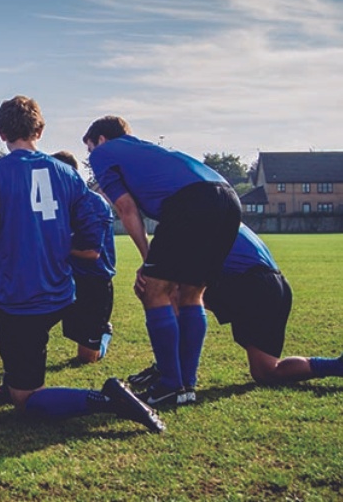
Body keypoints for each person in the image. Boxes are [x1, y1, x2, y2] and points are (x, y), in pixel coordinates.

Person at [0, 96, 163, 433]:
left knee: (26, 400)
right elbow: (91, 235)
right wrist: (55, 241)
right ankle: (16, 375)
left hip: (20, 298)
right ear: (40, 130)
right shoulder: (67, 175)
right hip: (62, 291)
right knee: (10, 316)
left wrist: (13, 235)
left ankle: (106, 399)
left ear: (0, 132)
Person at [84, 116, 241, 406]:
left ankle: (170, 384)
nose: (92, 156)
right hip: (228, 197)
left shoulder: (105, 152)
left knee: (153, 290)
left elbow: (126, 208)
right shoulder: (145, 151)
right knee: (191, 294)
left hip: (191, 201)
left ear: (101, 140)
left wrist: (148, 259)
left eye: (90, 149)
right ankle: (185, 386)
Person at [130, 224, 343, 389]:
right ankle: (336, 366)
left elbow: (173, 271)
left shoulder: (193, 213)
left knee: (165, 290)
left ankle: (169, 371)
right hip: (274, 286)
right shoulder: (217, 207)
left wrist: (149, 273)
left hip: (250, 284)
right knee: (266, 372)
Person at [51, 151, 115, 364]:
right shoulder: (53, 202)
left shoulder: (93, 204)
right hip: (63, 277)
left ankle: (103, 336)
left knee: (87, 359)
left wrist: (52, 246)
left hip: (93, 281)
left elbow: (91, 253)